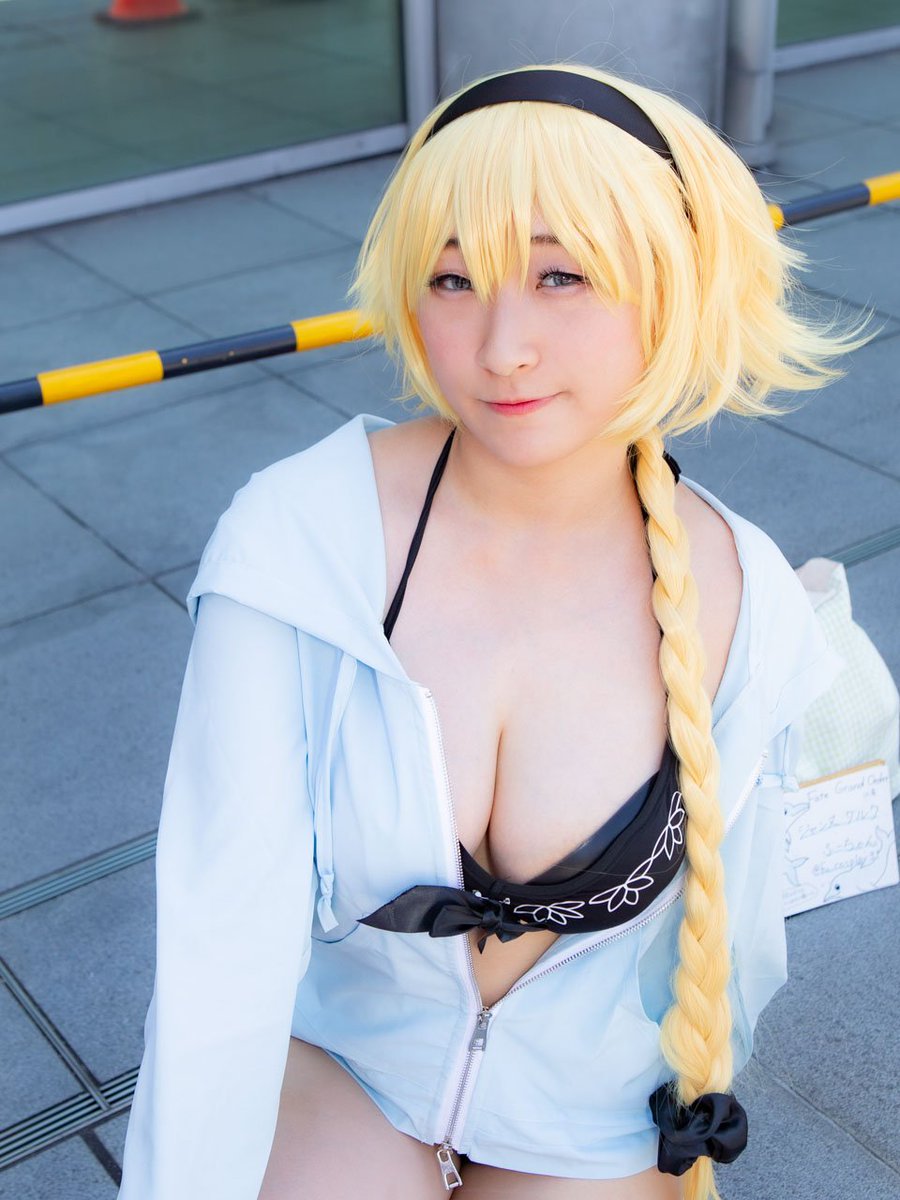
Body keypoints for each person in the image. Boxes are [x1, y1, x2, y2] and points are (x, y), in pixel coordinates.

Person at [118, 64, 863, 1200]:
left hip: (584, 1118)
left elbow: (733, 940)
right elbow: (220, 932)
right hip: (346, 1068)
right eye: (452, 279)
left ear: (678, 281)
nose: (501, 345)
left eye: (562, 275)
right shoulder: (306, 542)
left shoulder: (743, 594)